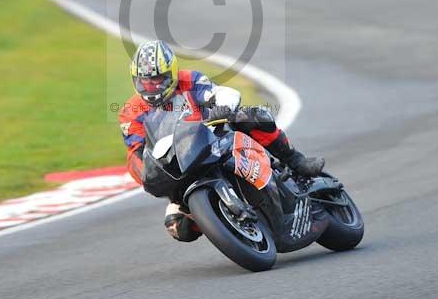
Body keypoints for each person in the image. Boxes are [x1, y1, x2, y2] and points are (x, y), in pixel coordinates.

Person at [118, 39, 325, 242]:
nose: (152, 87)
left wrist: (223, 107)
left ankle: (295, 160)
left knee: (252, 116)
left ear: (171, 73)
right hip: (178, 167)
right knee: (177, 227)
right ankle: (222, 223)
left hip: (212, 138)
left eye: (157, 80)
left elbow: (220, 93)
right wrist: (147, 176)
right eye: (144, 82)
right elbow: (136, 153)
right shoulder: (131, 113)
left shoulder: (189, 80)